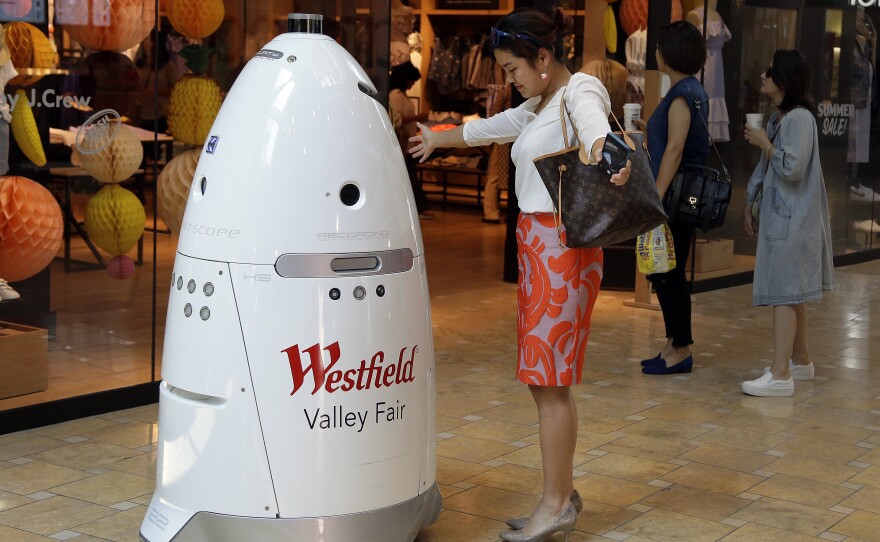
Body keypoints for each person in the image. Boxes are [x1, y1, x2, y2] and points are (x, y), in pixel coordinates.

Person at [409, 8, 631, 542]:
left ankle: (555, 504)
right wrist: (439, 139)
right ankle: (561, 492)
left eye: (512, 69)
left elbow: (598, 129)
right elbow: (489, 129)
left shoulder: (579, 91)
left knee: (549, 382)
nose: (509, 79)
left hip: (561, 252)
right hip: (543, 250)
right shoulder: (540, 104)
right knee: (546, 381)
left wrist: (607, 153)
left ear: (543, 58)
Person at [741, 50, 834, 397]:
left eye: (770, 70)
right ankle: (800, 361)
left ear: (784, 79)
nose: (763, 75)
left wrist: (765, 144)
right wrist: (751, 202)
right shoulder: (780, 118)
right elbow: (768, 170)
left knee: (784, 292)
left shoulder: (798, 119)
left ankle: (780, 375)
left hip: (794, 221)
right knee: (793, 294)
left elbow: (791, 167)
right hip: (784, 216)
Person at [638, 21, 709, 376]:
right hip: (679, 194)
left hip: (676, 197)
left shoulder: (683, 94)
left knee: (669, 271)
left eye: (660, 46)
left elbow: (676, 150)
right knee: (665, 270)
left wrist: (658, 197)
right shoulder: (689, 89)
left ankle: (680, 348)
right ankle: (672, 344)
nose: (655, 52)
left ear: (670, 53)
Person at [389, 61, 431, 217]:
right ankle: (416, 208)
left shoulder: (400, 95)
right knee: (409, 177)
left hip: (406, 144)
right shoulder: (396, 95)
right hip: (401, 144)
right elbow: (396, 121)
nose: (412, 84)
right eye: (411, 80)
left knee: (410, 176)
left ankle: (416, 208)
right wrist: (417, 118)